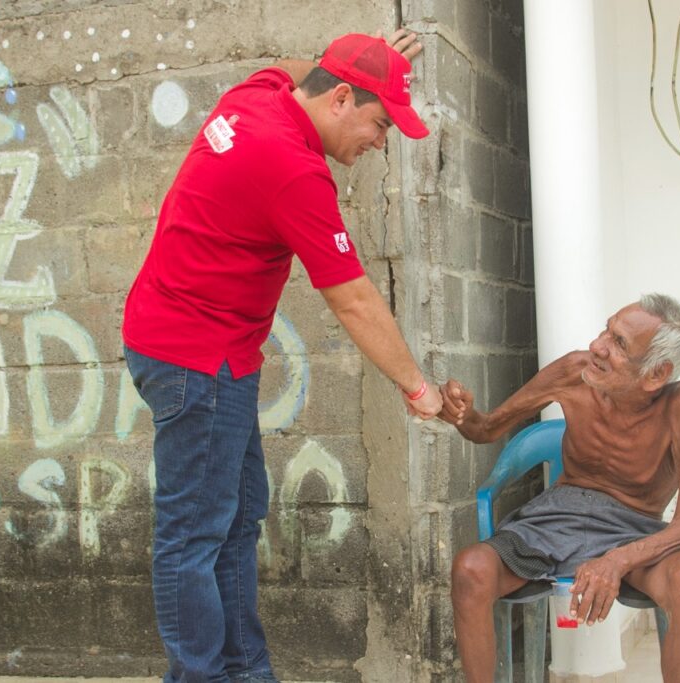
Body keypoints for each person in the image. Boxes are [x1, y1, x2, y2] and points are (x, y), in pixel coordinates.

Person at [121, 29, 442, 683]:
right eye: (381, 125)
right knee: (193, 536)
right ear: (342, 98)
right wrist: (416, 386)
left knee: (237, 515)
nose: (380, 143)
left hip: (210, 351)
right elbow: (353, 300)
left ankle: (246, 669)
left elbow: (299, 67)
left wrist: (380, 61)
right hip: (195, 361)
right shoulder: (293, 169)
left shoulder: (262, 95)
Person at [440, 294, 680, 683]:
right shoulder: (575, 369)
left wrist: (617, 560)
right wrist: (461, 414)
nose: (597, 346)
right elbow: (485, 429)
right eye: (607, 329)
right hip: (554, 517)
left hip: (633, 527)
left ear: (656, 374)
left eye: (619, 343)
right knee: (470, 567)